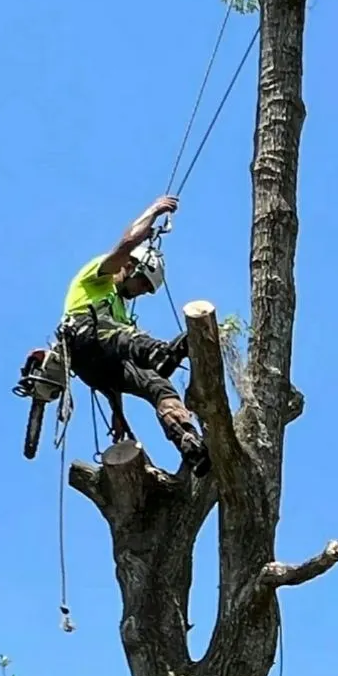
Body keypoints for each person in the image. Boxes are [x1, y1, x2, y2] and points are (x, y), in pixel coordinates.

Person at [61, 194, 211, 478]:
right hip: (82, 340)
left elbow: (115, 353)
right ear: (129, 267)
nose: (142, 291)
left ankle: (188, 441)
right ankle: (160, 353)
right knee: (124, 335)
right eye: (142, 283)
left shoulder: (121, 312)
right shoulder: (99, 276)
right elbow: (127, 244)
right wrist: (153, 211)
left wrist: (117, 411)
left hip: (103, 369)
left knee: (159, 384)